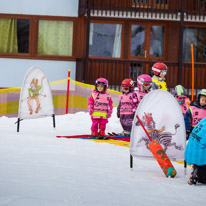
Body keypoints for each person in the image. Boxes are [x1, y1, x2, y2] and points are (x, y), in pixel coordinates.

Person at [185, 117, 206, 185]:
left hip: (191, 152)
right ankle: (199, 174)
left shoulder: (203, 121)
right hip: (201, 155)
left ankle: (197, 171)